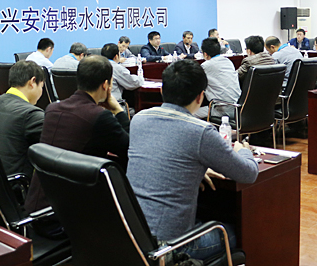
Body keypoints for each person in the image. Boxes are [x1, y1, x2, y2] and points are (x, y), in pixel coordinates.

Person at [127, 60, 259, 261]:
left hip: (133, 237)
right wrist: (243, 150)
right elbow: (249, 173)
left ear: (162, 91)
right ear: (200, 96)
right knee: (241, 231)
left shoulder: (138, 119)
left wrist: (196, 168)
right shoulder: (201, 131)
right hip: (172, 247)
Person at [25, 55, 130, 237]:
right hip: (65, 219)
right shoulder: (98, 116)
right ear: (106, 85)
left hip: (37, 212)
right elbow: (131, 150)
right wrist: (118, 110)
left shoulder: (52, 109)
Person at [0, 61, 45, 178]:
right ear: (32, 82)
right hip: (17, 185)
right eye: (41, 86)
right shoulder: (31, 114)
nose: (41, 91)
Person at [195, 38, 241, 119]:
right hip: (237, 107)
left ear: (205, 54)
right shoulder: (228, 61)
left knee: (189, 114)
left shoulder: (205, 66)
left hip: (222, 109)